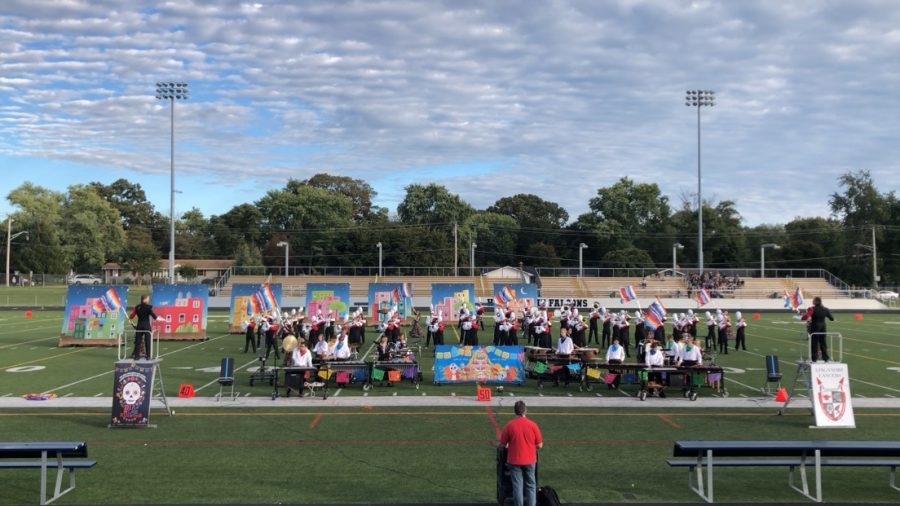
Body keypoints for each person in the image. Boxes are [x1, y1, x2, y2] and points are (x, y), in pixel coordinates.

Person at [498, 401, 543, 506]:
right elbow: (540, 445)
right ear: (525, 410)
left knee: (517, 486)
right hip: (530, 460)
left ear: (515, 411)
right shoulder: (533, 425)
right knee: (531, 485)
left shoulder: (510, 425)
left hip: (514, 460)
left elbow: (502, 444)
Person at [802, 296, 834, 362]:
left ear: (816, 301)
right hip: (823, 327)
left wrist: (802, 316)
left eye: (813, 300)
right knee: (823, 343)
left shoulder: (812, 309)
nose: (812, 301)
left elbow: (805, 317)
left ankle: (814, 358)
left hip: (814, 327)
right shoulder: (825, 309)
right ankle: (825, 358)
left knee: (814, 343)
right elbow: (832, 318)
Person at [128, 295, 160, 360]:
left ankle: (136, 356)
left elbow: (131, 316)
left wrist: (129, 317)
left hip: (139, 325)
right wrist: (159, 318)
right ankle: (148, 356)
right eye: (148, 299)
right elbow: (154, 316)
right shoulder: (149, 307)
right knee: (148, 341)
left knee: (138, 341)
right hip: (146, 326)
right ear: (144, 299)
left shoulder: (137, 307)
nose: (148, 300)